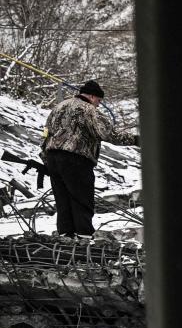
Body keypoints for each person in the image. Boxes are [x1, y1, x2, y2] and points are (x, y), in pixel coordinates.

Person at [42, 80, 134, 236]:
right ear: (92, 96)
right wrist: (137, 139)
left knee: (63, 202)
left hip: (53, 157)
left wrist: (46, 157)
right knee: (82, 200)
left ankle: (66, 238)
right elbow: (109, 134)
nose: (98, 104)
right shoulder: (89, 110)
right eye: (98, 101)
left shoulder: (59, 107)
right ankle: (84, 238)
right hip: (76, 159)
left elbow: (45, 133)